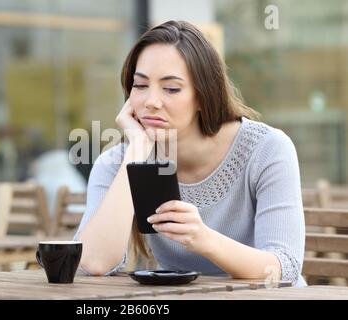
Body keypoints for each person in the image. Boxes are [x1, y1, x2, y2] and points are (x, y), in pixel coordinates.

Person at [74, 20, 306, 286]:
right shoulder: (118, 161)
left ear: (203, 95)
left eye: (171, 88)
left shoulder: (267, 150)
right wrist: (136, 152)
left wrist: (204, 239)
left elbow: (284, 268)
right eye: (140, 86)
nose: (151, 102)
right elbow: (94, 262)